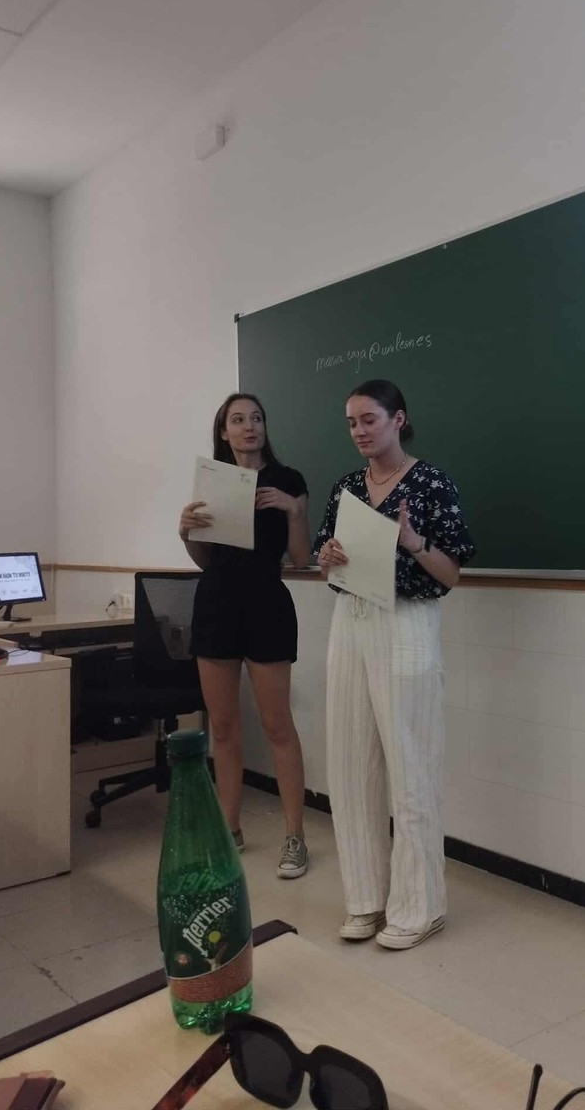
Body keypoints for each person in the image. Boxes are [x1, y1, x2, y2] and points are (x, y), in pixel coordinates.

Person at [314, 378, 475, 949]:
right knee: (351, 766)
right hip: (350, 620)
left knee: (410, 767)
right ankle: (366, 900)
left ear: (398, 419)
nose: (358, 431)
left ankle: (420, 906)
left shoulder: (431, 483)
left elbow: (450, 575)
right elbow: (327, 562)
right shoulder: (345, 487)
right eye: (351, 422)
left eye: (369, 420)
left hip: (405, 623)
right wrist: (327, 556)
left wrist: (412, 543)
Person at [179, 393, 311, 878]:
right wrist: (185, 532)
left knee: (278, 725)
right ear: (224, 431)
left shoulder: (288, 480)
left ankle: (295, 837)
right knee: (223, 726)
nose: (249, 426)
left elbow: (301, 558)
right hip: (216, 606)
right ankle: (229, 828)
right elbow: (206, 560)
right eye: (238, 420)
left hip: (267, 605)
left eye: (256, 418)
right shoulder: (213, 481)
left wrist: (293, 511)